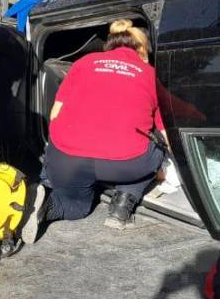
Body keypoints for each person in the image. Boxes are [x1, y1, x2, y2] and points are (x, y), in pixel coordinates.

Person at [23, 20, 167, 241]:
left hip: (66, 157)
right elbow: (165, 133)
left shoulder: (84, 62)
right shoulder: (150, 74)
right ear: (141, 50)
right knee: (157, 151)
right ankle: (121, 207)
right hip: (124, 164)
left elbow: (54, 115)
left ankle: (48, 203)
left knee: (76, 206)